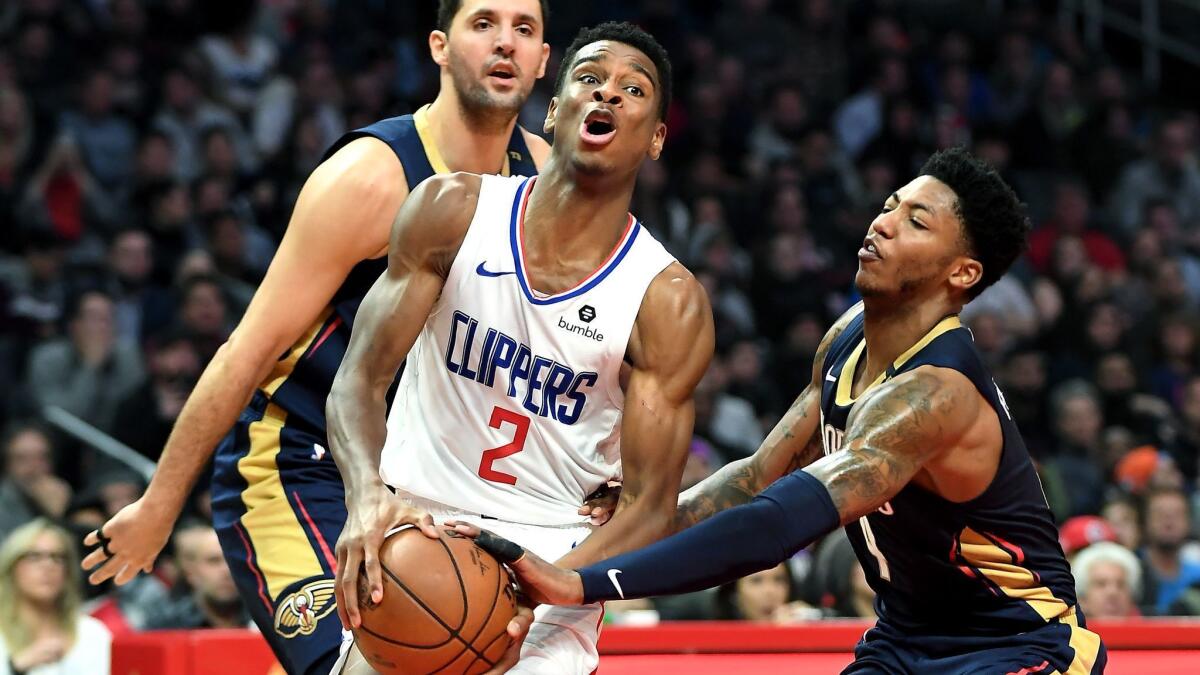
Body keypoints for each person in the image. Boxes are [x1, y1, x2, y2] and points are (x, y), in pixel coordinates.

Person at [461, 147, 1108, 674]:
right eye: (890, 205)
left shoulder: (934, 395)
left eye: (917, 221)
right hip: (907, 638)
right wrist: (616, 534)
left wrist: (588, 583)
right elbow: (753, 478)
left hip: (1019, 644)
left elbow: (774, 526)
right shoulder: (848, 338)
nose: (882, 222)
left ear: (962, 273)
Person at [82, 1, 557, 673]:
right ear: (439, 47)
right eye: (483, 24)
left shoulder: (541, 176)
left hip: (429, 476)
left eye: (525, 29)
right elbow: (247, 347)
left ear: (543, 59)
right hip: (300, 462)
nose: (505, 43)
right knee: (375, 660)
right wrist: (160, 505)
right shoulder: (368, 178)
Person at [327, 21, 711, 675]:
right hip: (416, 537)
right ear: (555, 109)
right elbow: (358, 381)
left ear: (655, 139)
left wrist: (549, 580)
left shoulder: (665, 299)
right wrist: (364, 493)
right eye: (589, 79)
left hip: (551, 563)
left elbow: (649, 506)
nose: (607, 95)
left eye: (633, 90)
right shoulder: (451, 211)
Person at [0, 519, 111, 675]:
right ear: (11, 567)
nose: (48, 566)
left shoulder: (93, 633)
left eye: (57, 557)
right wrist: (15, 668)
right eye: (34, 556)